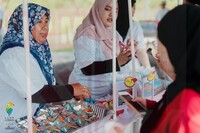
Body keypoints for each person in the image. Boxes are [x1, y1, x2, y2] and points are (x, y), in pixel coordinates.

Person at [0, 3, 90, 132]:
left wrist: (73, 93)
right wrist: (72, 90)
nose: (45, 27)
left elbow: (45, 82)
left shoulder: (34, 49)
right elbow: (36, 93)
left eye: (46, 21)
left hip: (26, 121)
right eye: (38, 21)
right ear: (25, 24)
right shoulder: (14, 54)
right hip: (10, 124)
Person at [131, 4, 200, 132]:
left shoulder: (190, 107)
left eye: (161, 42)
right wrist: (153, 106)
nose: (157, 50)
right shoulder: (181, 86)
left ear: (178, 48)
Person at [69, 0, 134, 99]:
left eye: (116, 10)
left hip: (106, 94)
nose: (112, 14)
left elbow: (119, 63)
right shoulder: (86, 34)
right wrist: (117, 62)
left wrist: (129, 52)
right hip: (84, 95)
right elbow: (87, 69)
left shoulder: (114, 34)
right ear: (97, 9)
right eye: (107, 9)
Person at [117, 0, 151, 71]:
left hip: (130, 70)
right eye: (133, 7)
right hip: (116, 70)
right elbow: (141, 51)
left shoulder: (135, 26)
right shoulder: (135, 26)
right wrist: (149, 70)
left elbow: (140, 51)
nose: (134, 10)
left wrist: (149, 70)